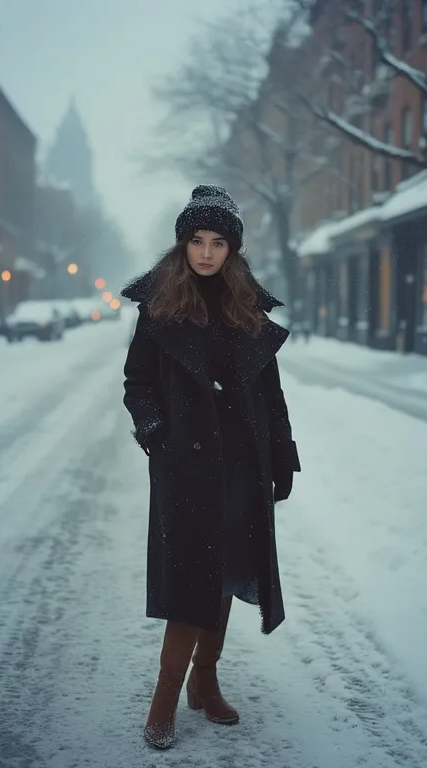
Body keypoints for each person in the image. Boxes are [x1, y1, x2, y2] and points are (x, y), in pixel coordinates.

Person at [121, 185, 301, 750]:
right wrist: (158, 435)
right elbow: (138, 383)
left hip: (242, 464)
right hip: (186, 467)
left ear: (232, 249)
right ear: (183, 244)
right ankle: (164, 699)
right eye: (197, 240)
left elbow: (271, 394)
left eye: (217, 242)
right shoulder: (161, 307)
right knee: (189, 577)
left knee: (222, 570)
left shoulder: (247, 309)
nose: (205, 252)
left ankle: (206, 678)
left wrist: (283, 455)